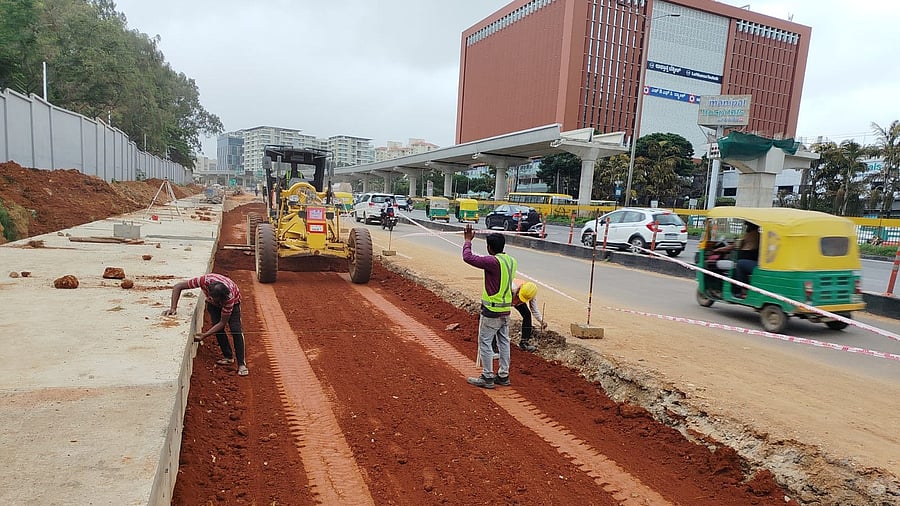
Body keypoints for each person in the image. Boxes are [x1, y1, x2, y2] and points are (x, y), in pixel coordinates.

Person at [463, 224, 518, 389]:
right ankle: (503, 375)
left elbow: (468, 257)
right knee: (504, 342)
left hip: (492, 310)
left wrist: (467, 241)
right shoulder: (511, 261)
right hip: (505, 310)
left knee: (485, 342)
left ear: (489, 248)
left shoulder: (492, 261)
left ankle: (487, 377)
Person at [165, 273, 249, 376]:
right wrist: (173, 308)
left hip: (234, 304)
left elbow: (222, 322)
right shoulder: (203, 281)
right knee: (217, 329)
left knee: (236, 330)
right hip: (212, 305)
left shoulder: (229, 298)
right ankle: (228, 357)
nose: (217, 302)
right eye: (214, 299)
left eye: (218, 300)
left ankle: (241, 364)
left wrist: (204, 335)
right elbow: (178, 286)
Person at [714, 222, 759, 297]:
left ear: (751, 226)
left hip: (751, 261)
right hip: (753, 259)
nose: (746, 227)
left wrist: (719, 250)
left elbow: (735, 245)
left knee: (738, 265)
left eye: (747, 225)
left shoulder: (751, 234)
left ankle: (739, 290)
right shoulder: (758, 234)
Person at [512, 280, 546, 352]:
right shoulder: (512, 288)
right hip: (506, 299)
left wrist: (541, 321)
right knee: (501, 317)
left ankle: (524, 342)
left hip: (515, 301)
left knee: (527, 314)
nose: (520, 299)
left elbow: (534, 309)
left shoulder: (530, 294)